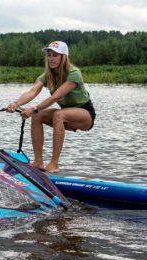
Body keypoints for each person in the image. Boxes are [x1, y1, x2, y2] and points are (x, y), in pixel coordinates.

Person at [5, 41, 95, 173]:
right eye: (49, 55)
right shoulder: (47, 75)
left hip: (85, 114)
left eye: (55, 55)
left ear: (63, 57)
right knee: (37, 116)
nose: (51, 58)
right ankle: (38, 162)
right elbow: (32, 92)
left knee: (58, 114)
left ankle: (54, 164)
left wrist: (34, 108)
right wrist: (16, 104)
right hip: (66, 112)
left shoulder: (74, 73)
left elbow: (55, 97)